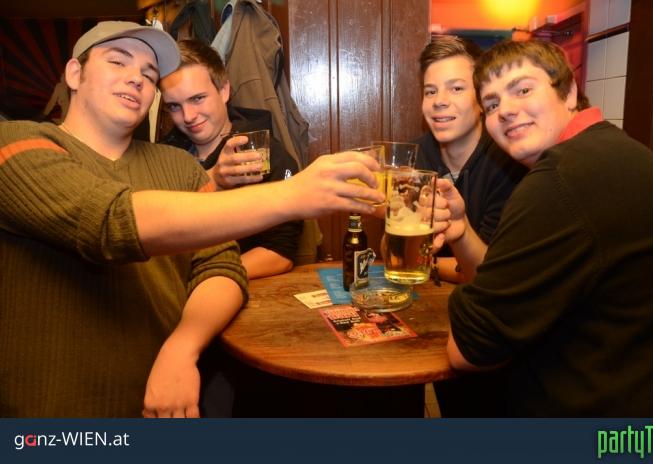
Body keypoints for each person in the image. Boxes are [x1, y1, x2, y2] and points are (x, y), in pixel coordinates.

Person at [0, 21, 382, 418]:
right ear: (74, 73)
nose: (136, 79)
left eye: (149, 74)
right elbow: (107, 221)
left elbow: (220, 265)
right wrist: (293, 194)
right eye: (118, 61)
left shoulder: (178, 164)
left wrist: (182, 347)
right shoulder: (17, 143)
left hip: (174, 403)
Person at [436, 39, 653, 416]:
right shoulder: (606, 151)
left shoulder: (560, 180)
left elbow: (469, 349)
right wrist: (461, 229)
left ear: (570, 91)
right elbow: (510, 288)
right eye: (491, 104)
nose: (505, 110)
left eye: (522, 90)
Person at [159, 39, 301, 280]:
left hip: (238, 290)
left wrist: (202, 277)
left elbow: (279, 253)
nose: (188, 116)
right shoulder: (161, 156)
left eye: (197, 98)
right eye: (174, 106)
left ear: (224, 90)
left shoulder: (264, 154)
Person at [414, 35, 526, 284]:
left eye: (456, 88)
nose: (439, 101)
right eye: (430, 91)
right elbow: (393, 250)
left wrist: (427, 264)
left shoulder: (509, 165)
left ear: (482, 99)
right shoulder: (414, 156)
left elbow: (495, 272)